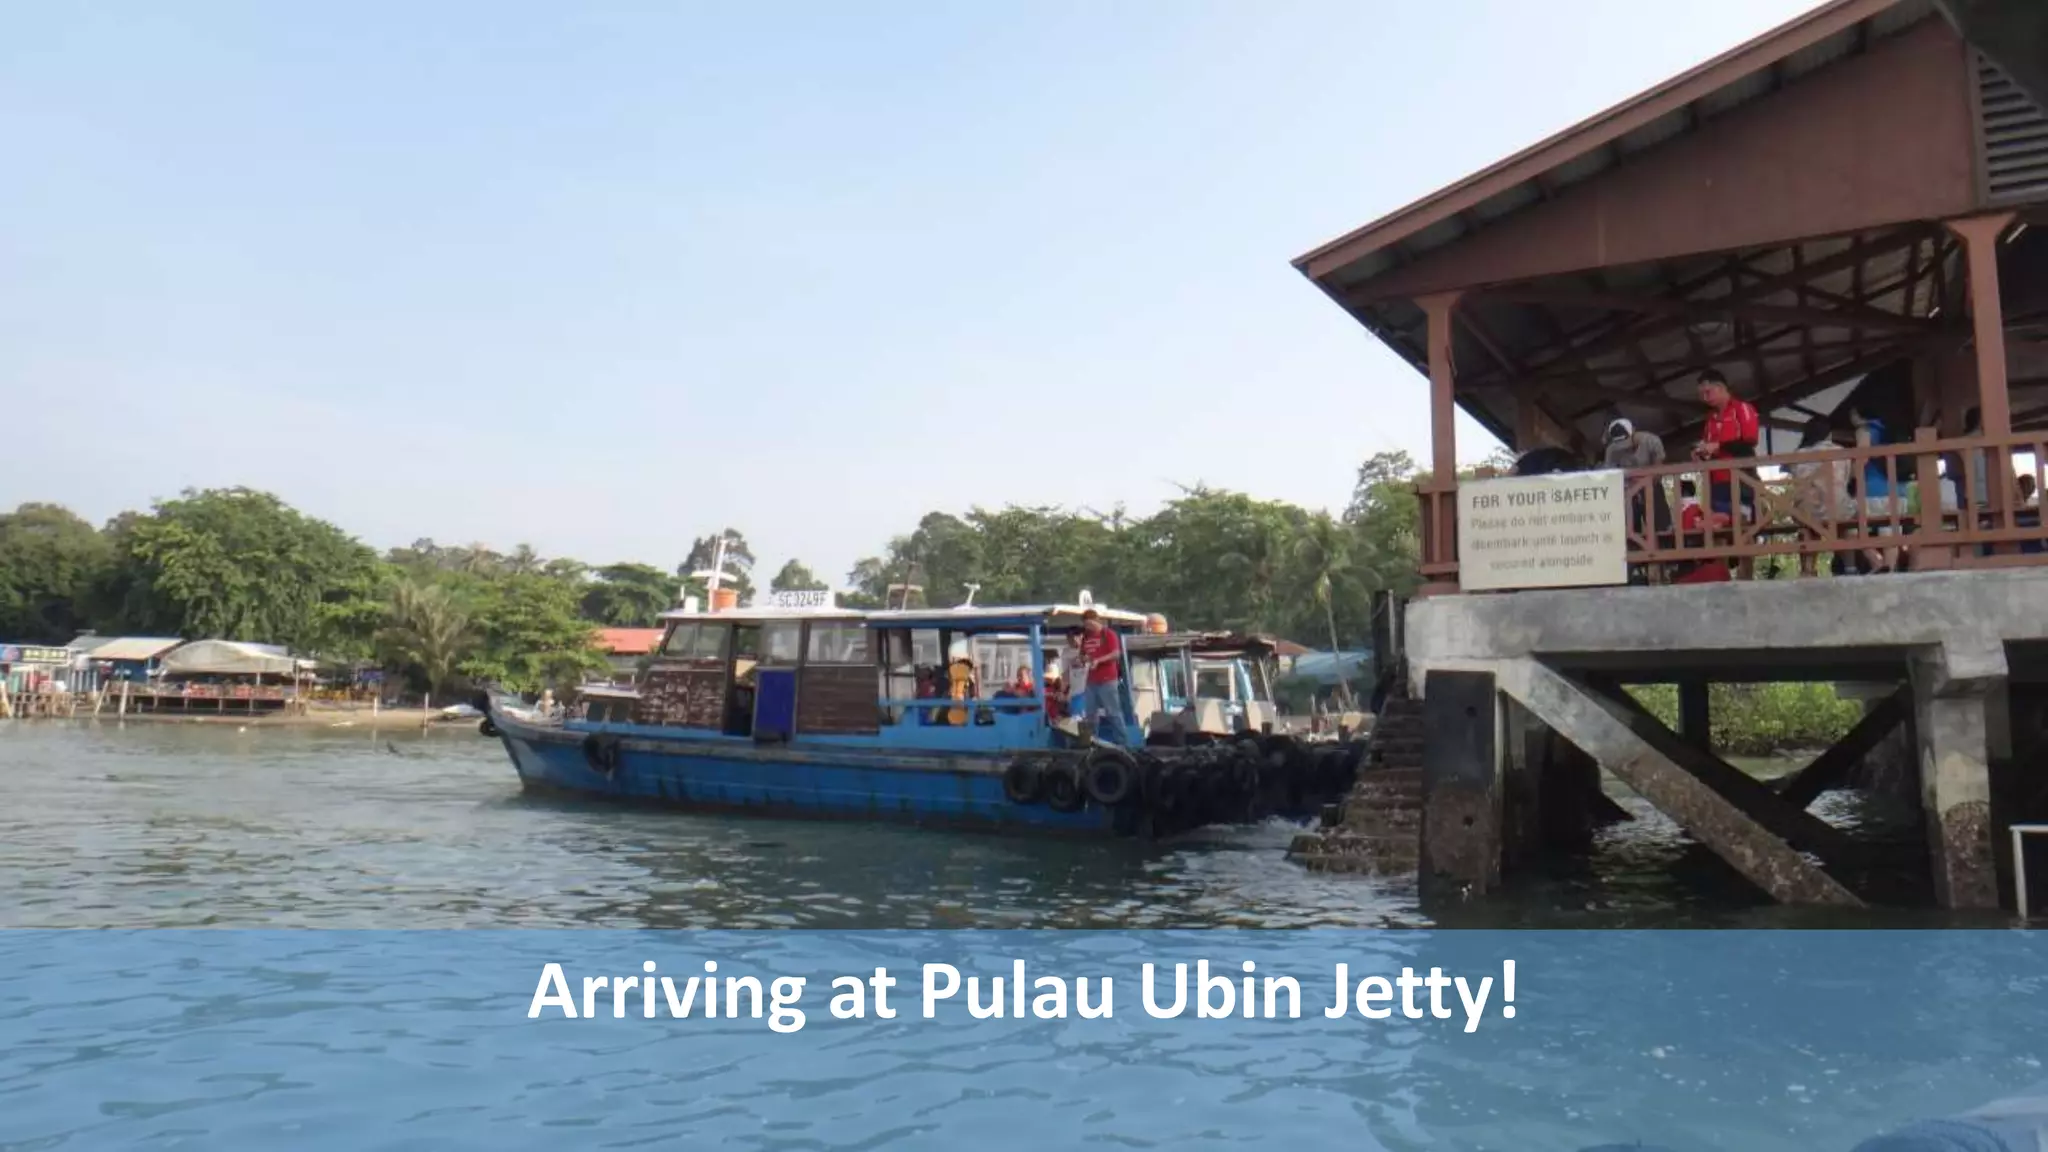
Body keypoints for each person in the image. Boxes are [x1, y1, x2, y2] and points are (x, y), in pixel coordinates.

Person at [1689, 369, 1758, 523]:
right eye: (1701, 395)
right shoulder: (1710, 419)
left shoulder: (1741, 408)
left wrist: (1718, 446)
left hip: (1741, 477)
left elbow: (1749, 441)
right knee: (1721, 528)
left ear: (1720, 387)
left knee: (1741, 523)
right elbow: (1710, 448)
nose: (1704, 398)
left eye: (1708, 392)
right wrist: (1701, 454)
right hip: (1716, 482)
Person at [1076, 610, 1131, 745]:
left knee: (1112, 711)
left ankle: (1122, 742)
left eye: (1089, 624)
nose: (1088, 627)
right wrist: (1082, 660)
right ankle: (1092, 741)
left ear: (1096, 620)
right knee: (1090, 714)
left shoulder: (1108, 634)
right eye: (1085, 625)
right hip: (1091, 680)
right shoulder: (1086, 637)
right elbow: (1083, 654)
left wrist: (1099, 660)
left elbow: (1116, 654)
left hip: (1107, 679)